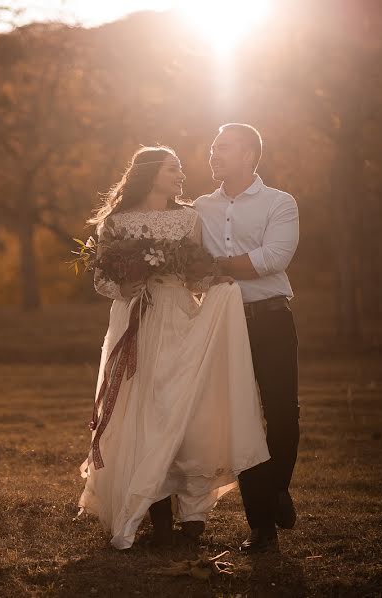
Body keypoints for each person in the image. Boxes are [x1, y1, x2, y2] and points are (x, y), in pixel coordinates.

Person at [78, 145, 270, 550]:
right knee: (145, 413)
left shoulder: (189, 219)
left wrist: (219, 289)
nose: (182, 175)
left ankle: (193, 514)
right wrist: (123, 287)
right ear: (150, 174)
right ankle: (157, 515)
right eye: (173, 168)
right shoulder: (115, 223)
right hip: (137, 322)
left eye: (181, 168)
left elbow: (196, 278)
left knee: (185, 409)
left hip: (179, 319)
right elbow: (101, 280)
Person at [193, 123, 300, 553]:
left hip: (272, 318)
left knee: (283, 410)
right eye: (213, 145)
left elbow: (275, 258)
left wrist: (218, 264)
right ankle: (261, 525)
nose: (213, 152)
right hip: (224, 321)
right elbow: (192, 265)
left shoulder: (280, 202)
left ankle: (276, 488)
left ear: (249, 155)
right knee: (243, 418)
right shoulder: (199, 207)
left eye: (223, 146)